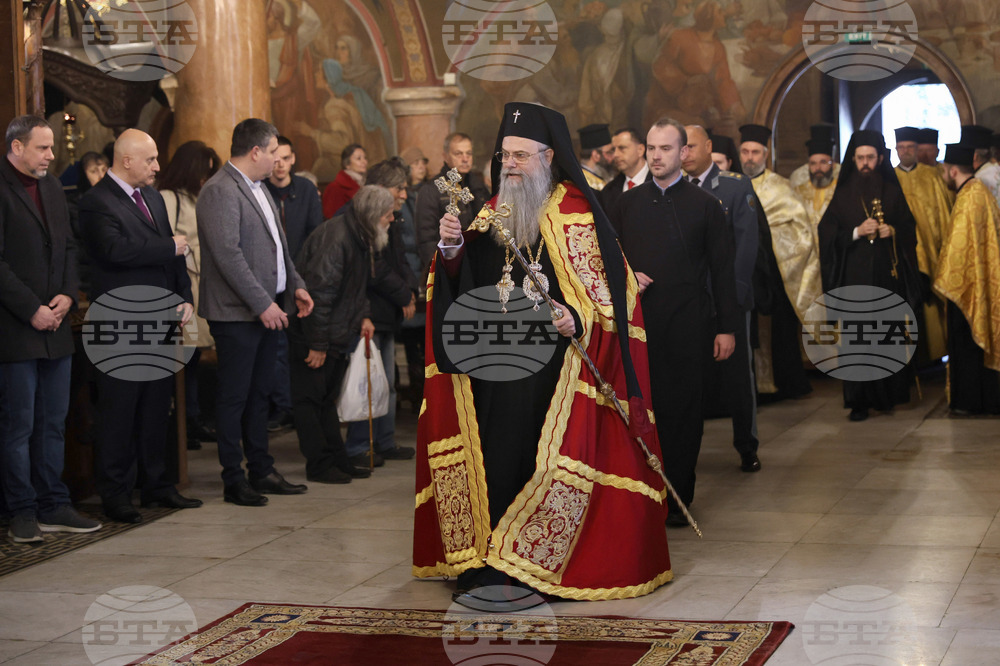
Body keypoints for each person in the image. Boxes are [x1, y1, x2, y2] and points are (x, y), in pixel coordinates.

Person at [415, 102, 671, 607]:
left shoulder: (580, 214)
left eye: (521, 155)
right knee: (494, 457)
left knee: (538, 457)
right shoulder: (491, 212)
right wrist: (450, 251)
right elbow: (464, 283)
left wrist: (576, 317)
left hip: (554, 376)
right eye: (505, 154)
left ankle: (536, 563)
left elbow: (610, 296)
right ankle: (488, 558)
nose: (509, 164)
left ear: (549, 156)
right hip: (493, 368)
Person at [612, 117, 739, 526]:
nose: (656, 155)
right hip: (639, 325)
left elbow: (723, 270)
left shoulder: (705, 206)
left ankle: (678, 495)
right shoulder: (626, 204)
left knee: (683, 413)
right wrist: (629, 274)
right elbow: (606, 262)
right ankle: (645, 492)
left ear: (684, 153)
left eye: (665, 148)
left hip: (690, 324)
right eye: (651, 148)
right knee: (643, 409)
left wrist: (727, 327)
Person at [79, 129, 202, 523]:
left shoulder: (151, 196)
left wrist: (184, 296)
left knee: (156, 407)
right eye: (150, 160)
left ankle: (157, 486)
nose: (157, 166)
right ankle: (116, 494)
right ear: (126, 160)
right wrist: (171, 247)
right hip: (118, 320)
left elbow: (174, 253)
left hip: (161, 315)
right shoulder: (96, 202)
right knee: (119, 410)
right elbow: (115, 252)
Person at [196, 118, 315, 506]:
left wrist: (295, 284)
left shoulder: (260, 188)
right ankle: (234, 478)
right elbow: (227, 255)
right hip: (236, 314)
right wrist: (261, 303)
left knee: (260, 394)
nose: (279, 160)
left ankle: (261, 469)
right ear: (255, 152)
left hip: (270, 307)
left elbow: (280, 248)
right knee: (234, 397)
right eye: (274, 152)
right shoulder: (219, 190)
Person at [1, 115, 101, 542]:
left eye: (51, 147)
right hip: (16, 329)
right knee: (18, 425)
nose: (51, 155)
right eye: (42, 148)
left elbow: (68, 246)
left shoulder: (53, 187)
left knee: (53, 422)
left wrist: (66, 293)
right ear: (17, 148)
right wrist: (31, 309)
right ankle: (21, 511)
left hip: (56, 324)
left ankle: (54, 503)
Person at [290, 185, 396, 482]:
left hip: (336, 332)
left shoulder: (360, 235)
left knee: (327, 400)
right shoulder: (337, 237)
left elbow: (358, 285)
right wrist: (317, 343)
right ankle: (320, 465)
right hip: (315, 333)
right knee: (311, 402)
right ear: (374, 214)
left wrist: (363, 315)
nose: (391, 220)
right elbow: (319, 295)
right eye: (388, 215)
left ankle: (337, 459)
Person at [818, 130, 920, 422]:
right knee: (856, 340)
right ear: (853, 159)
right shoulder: (843, 192)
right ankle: (859, 402)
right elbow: (826, 235)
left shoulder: (891, 189)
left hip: (887, 278)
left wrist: (894, 233)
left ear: (880, 158)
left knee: (887, 337)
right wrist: (855, 232)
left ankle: (887, 397)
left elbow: (910, 229)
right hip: (854, 279)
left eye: (870, 158)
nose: (865, 163)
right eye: (860, 158)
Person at [683, 125, 761, 473]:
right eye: (679, 147)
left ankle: (747, 445)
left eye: (691, 146)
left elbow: (746, 248)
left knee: (738, 379)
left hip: (727, 299)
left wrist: (737, 298)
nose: (684, 153)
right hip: (689, 302)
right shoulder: (674, 190)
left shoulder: (734, 186)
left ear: (708, 147)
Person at [341, 159, 418, 467]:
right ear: (381, 188)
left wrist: (411, 289)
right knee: (367, 380)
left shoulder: (393, 218)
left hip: (386, 309)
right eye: (399, 187)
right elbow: (375, 269)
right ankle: (360, 445)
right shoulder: (362, 216)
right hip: (368, 310)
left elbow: (399, 260)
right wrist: (403, 293)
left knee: (384, 379)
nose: (404, 194)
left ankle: (383, 441)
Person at [739, 124, 820, 401]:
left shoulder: (781, 187)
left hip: (773, 273)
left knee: (777, 333)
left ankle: (782, 384)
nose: (750, 157)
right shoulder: (731, 183)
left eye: (755, 152)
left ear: (765, 155)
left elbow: (801, 231)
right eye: (745, 151)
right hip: (743, 272)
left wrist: (768, 241)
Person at [158, 140, 222, 449]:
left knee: (195, 357)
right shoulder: (169, 198)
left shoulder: (201, 197)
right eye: (203, 172)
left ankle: (194, 419)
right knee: (182, 357)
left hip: (202, 282)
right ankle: (182, 421)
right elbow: (165, 240)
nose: (205, 179)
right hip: (183, 284)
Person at [264, 135, 324, 433]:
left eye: (286, 159)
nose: (280, 165)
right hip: (270, 283)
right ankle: (282, 406)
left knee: (302, 346)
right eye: (275, 159)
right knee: (276, 348)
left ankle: (301, 407)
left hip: (302, 280)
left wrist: (301, 277)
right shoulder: (260, 190)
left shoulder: (306, 190)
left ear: (293, 159)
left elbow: (316, 236)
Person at [934, 142, 1000, 414]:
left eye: (944, 171)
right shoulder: (978, 191)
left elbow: (957, 249)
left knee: (966, 343)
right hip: (978, 281)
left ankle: (969, 402)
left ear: (951, 172)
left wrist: (945, 277)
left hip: (966, 286)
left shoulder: (968, 197)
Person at [893, 126, 952, 364]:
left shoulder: (932, 176)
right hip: (899, 254)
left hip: (929, 252)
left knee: (929, 303)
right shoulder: (889, 177)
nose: (906, 151)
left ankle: (934, 356)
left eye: (910, 147)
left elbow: (943, 216)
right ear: (896, 150)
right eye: (901, 147)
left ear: (916, 149)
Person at [414, 132, 490, 273]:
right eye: (458, 154)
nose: (465, 159)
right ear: (445, 156)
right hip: (449, 266)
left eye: (469, 153)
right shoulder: (432, 190)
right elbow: (427, 241)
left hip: (478, 265)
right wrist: (442, 271)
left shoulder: (478, 187)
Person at [790, 125, 840, 231]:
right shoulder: (798, 192)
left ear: (833, 165)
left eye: (823, 162)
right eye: (813, 163)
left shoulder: (841, 191)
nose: (818, 168)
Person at [598, 128, 650, 213]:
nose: (615, 155)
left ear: (640, 150)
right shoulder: (609, 191)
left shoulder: (661, 182)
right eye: (613, 150)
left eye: (622, 148)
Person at [322, 143, 366, 219]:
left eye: (365, 158)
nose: (364, 161)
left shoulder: (365, 183)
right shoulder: (335, 187)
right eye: (359, 158)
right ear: (347, 164)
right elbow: (331, 218)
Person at [577, 123, 612, 191]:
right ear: (596, 155)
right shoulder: (588, 183)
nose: (613, 156)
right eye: (608, 152)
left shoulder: (601, 176)